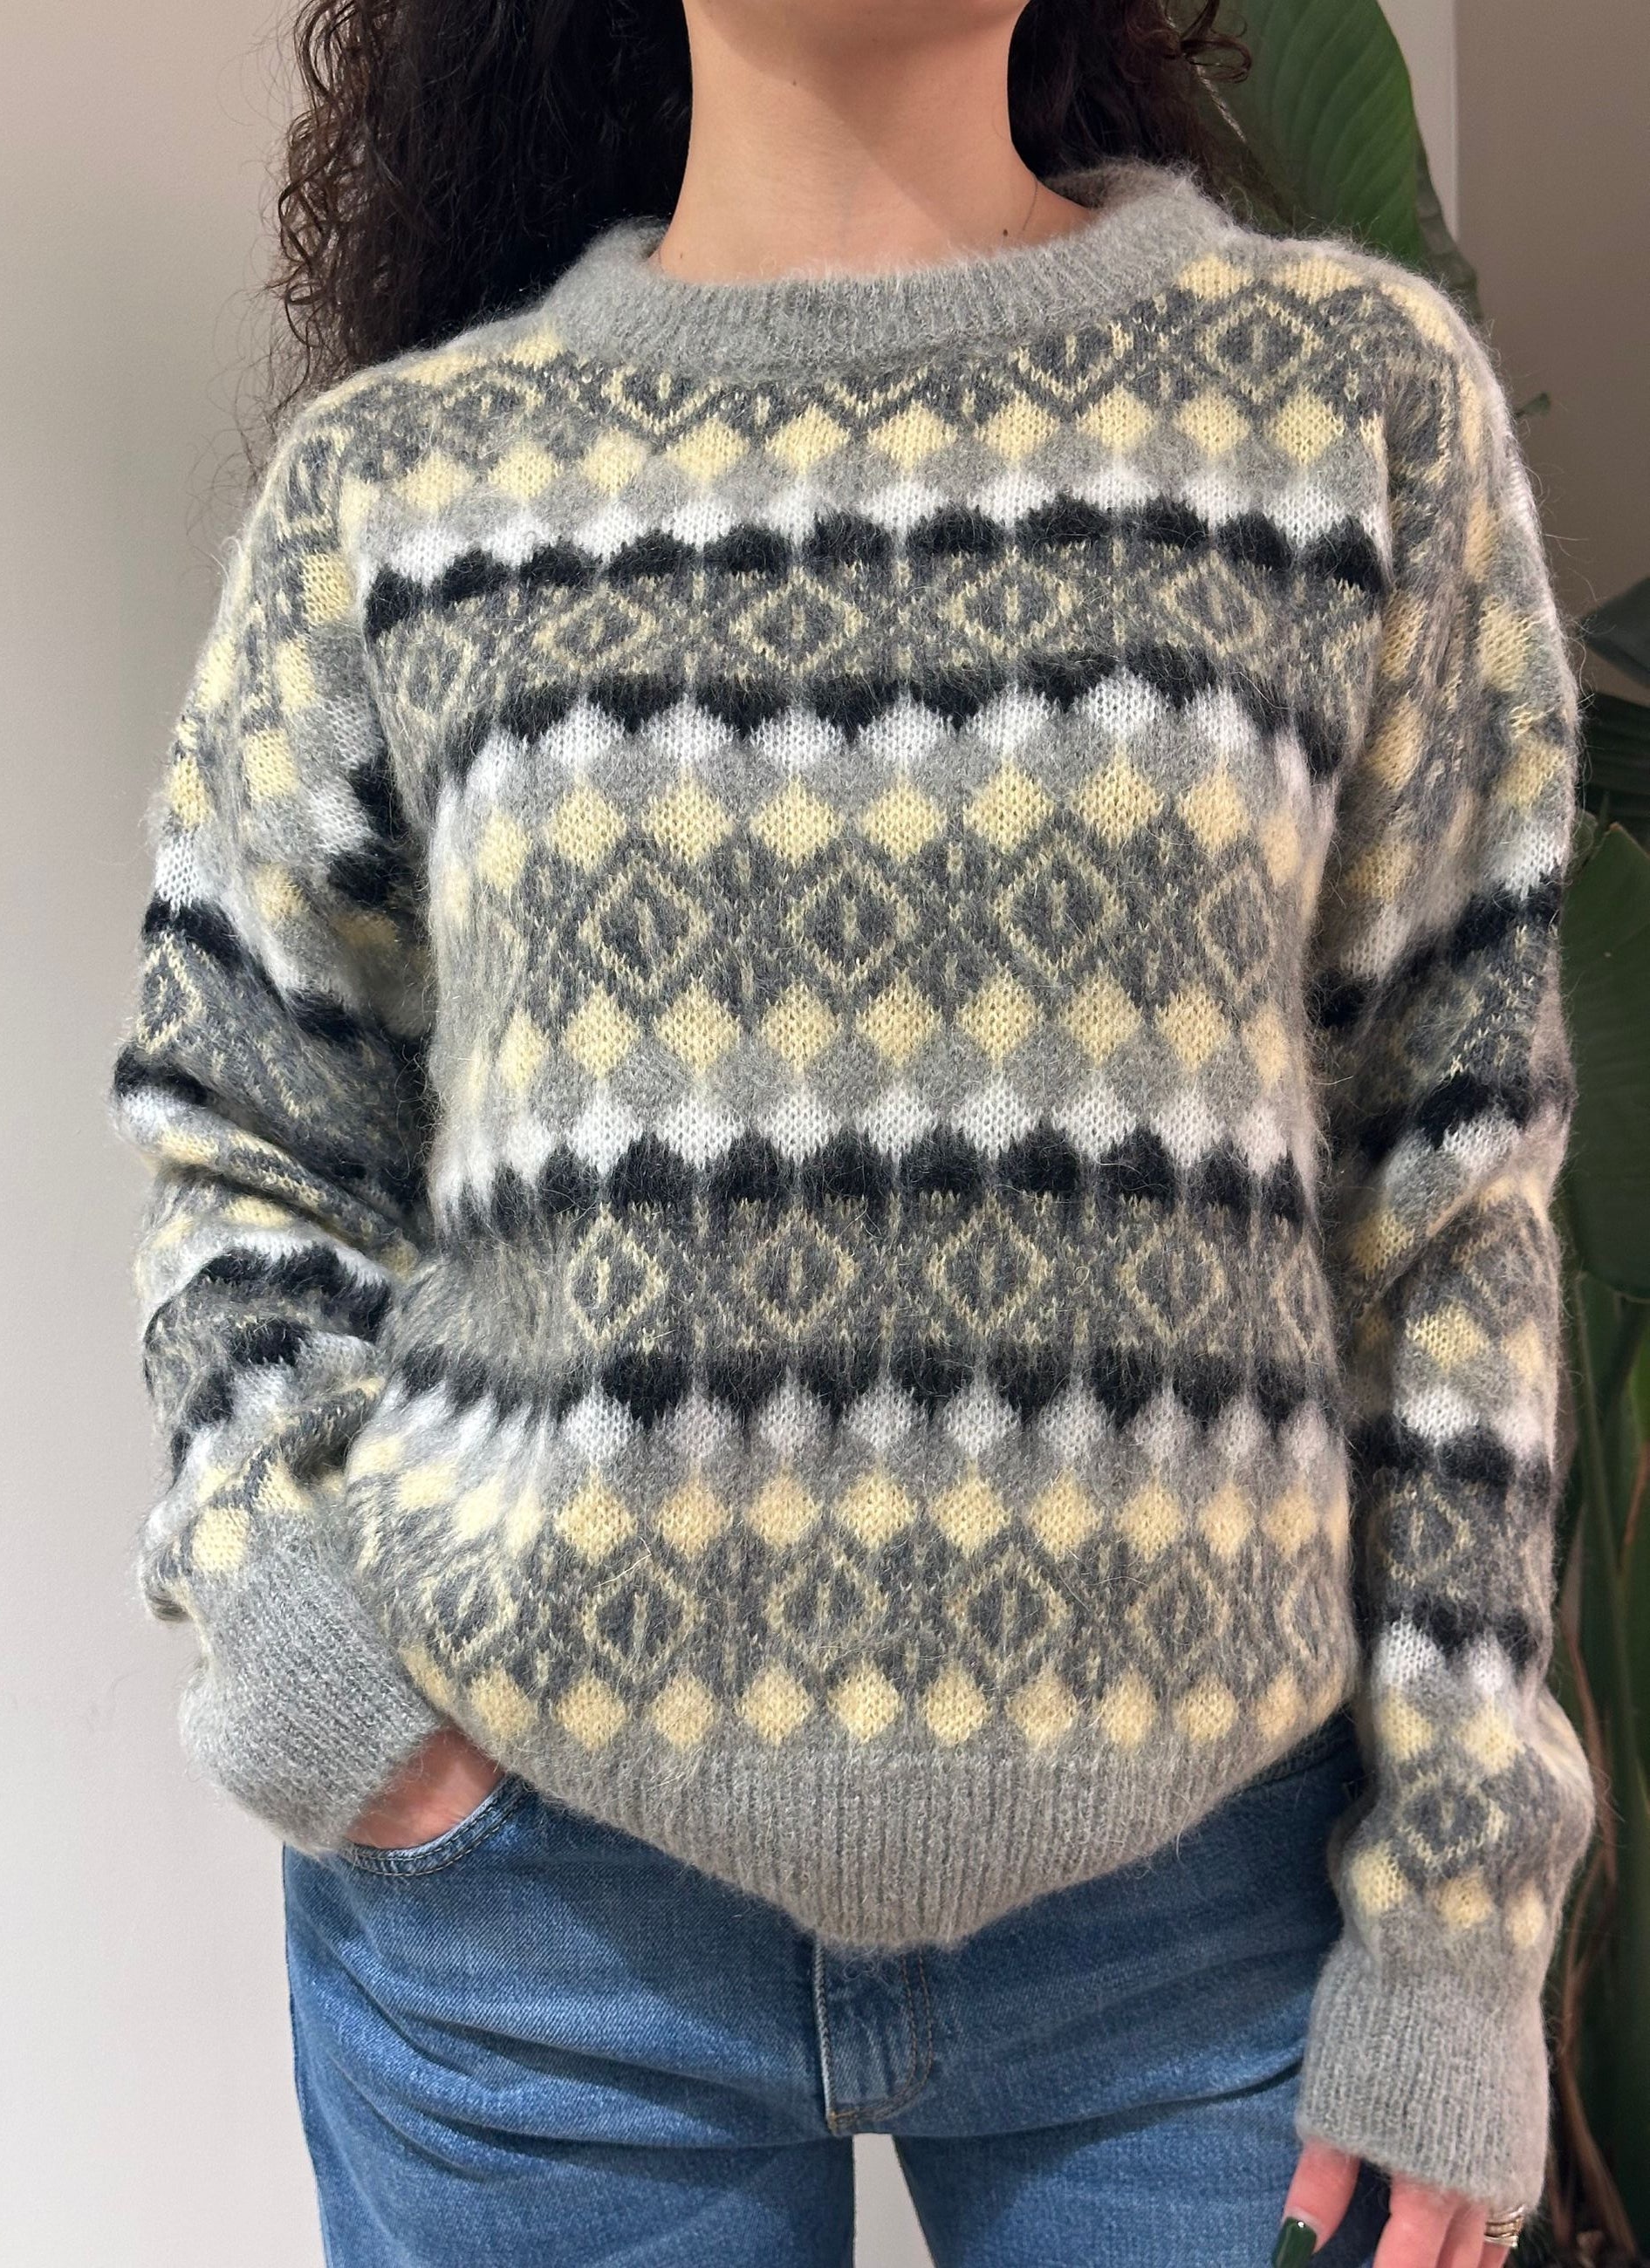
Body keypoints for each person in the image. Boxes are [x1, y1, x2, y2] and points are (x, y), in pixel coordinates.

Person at [107, 1, 1599, 2261]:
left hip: (1215, 1950)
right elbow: (242, 1126)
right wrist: (329, 1682)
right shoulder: (398, 488)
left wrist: (1463, 1913)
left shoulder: (1348, 408)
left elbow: (1451, 1191)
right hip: (539, 1955)